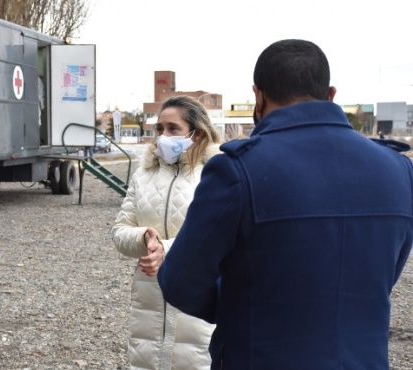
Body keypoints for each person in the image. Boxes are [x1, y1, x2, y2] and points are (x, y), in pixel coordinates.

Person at [158, 39, 413, 370]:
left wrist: (243, 305)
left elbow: (180, 282)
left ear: (258, 96)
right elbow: (383, 272)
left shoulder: (238, 169)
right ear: (331, 94)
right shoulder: (398, 170)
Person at [112, 95, 221, 369]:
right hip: (148, 297)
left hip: (198, 299)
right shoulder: (143, 175)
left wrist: (166, 249)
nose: (164, 135)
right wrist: (144, 238)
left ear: (197, 133)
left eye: (173, 128)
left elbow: (217, 238)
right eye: (160, 129)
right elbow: (119, 232)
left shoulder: (215, 174)